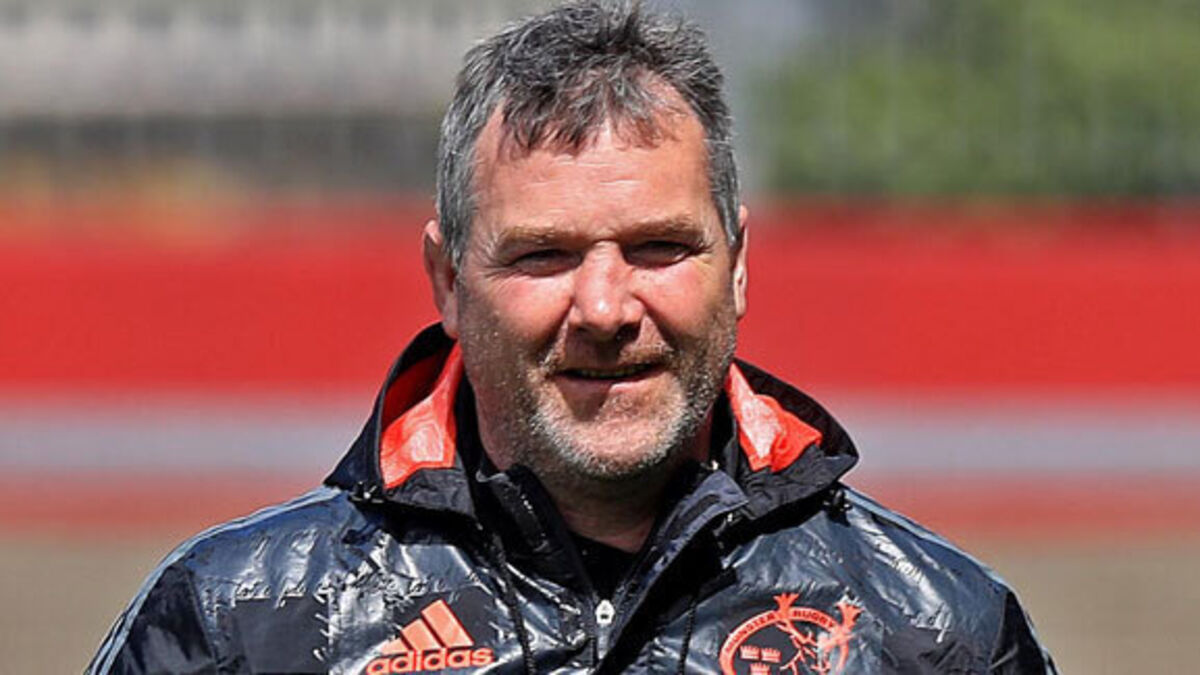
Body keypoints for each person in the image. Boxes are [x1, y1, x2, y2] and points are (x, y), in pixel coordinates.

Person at [89, 2, 1056, 673]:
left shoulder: (936, 633)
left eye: (658, 247)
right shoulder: (237, 624)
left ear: (738, 265)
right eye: (545, 254)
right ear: (448, 282)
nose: (604, 307)